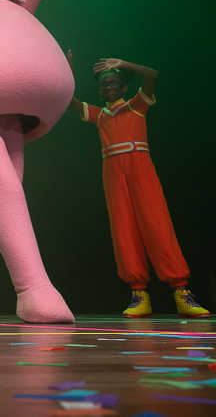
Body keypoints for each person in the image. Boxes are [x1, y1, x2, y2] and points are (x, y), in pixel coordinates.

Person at [67, 53, 209, 318]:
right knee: (124, 230)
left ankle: (181, 291)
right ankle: (139, 294)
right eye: (104, 84)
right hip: (113, 173)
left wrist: (122, 64)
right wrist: (67, 73)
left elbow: (152, 75)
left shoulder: (135, 106)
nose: (108, 86)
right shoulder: (100, 115)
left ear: (124, 87)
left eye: (114, 82)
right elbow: (66, 99)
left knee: (157, 224)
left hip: (141, 169)